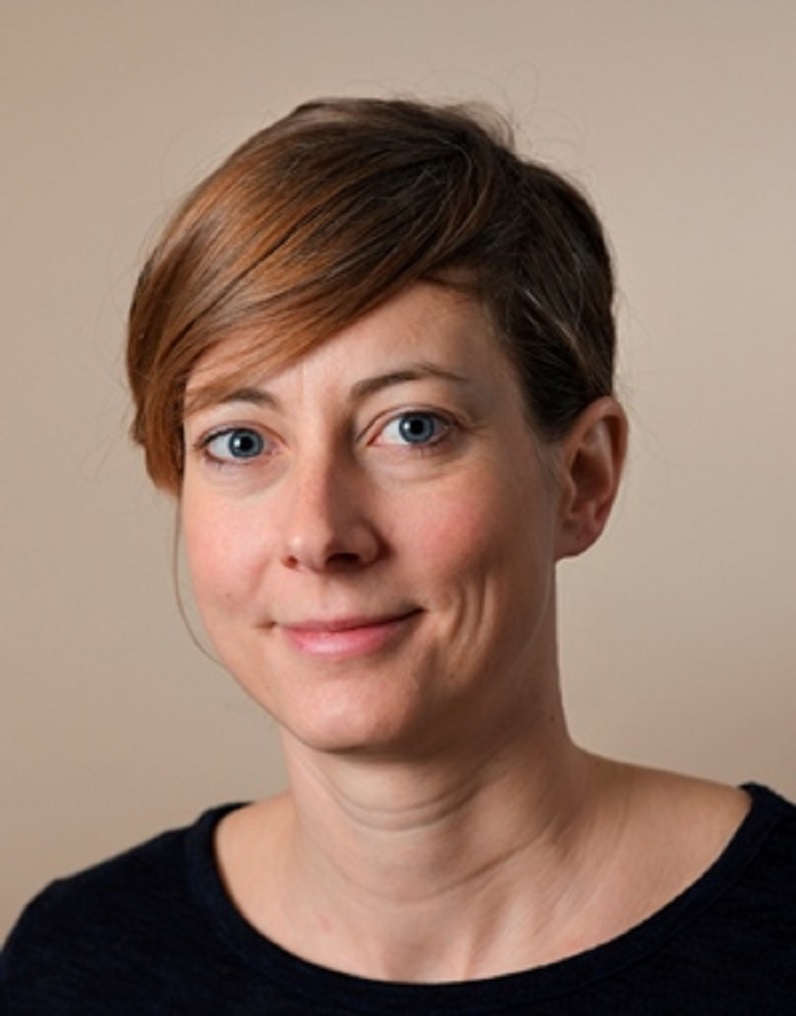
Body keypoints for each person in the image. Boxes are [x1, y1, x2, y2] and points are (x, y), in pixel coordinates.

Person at [2, 97, 794, 1013]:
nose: (317, 535)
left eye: (412, 427)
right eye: (241, 441)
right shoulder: (79, 967)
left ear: (582, 478)